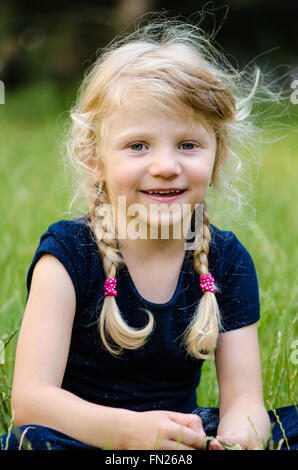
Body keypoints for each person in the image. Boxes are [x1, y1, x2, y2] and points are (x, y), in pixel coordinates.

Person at [1, 15, 297, 451]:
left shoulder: (227, 261)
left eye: (188, 144)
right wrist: (131, 435)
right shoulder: (68, 256)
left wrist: (236, 438)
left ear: (218, 156)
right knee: (28, 442)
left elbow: (244, 399)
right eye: (138, 145)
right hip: (84, 439)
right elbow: (30, 402)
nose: (165, 165)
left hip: (182, 438)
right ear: (93, 157)